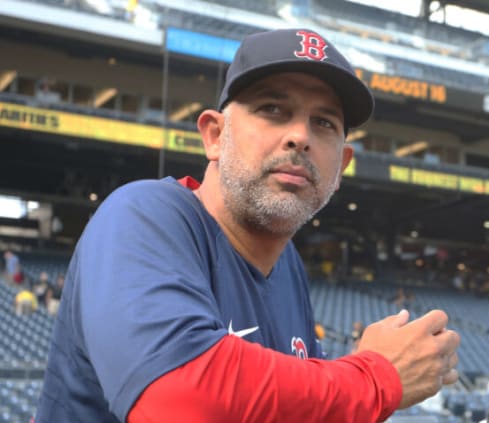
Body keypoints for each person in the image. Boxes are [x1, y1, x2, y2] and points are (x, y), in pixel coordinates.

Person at [36, 28, 460, 422]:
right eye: (273, 109)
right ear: (214, 136)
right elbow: (179, 400)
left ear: (342, 165)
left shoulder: (288, 266)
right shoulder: (144, 213)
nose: (299, 136)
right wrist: (376, 377)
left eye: (324, 123)